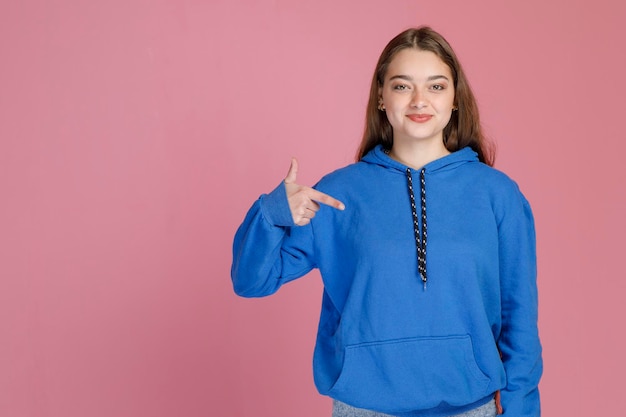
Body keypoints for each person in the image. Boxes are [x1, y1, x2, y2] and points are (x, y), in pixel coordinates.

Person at [231, 26, 542, 417]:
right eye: (401, 86)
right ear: (381, 96)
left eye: (435, 86)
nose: (418, 100)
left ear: (455, 98)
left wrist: (520, 409)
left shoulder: (498, 194)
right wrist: (272, 213)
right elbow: (250, 281)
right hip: (363, 408)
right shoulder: (338, 193)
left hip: (470, 407)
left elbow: (520, 317)